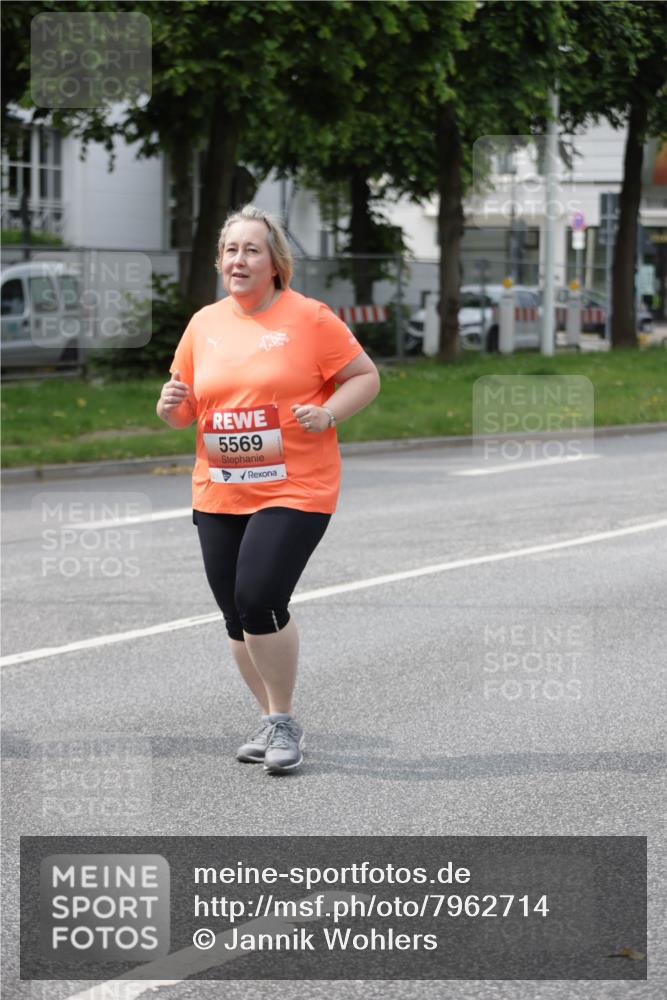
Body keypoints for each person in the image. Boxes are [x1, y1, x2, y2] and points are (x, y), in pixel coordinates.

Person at [156, 204, 380, 774]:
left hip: (295, 487)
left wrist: (328, 414)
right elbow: (186, 409)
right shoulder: (204, 324)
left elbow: (364, 376)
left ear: (275, 263)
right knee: (235, 613)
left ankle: (282, 720)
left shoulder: (310, 318)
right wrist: (170, 409)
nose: (239, 259)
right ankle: (271, 718)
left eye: (252, 249)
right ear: (219, 261)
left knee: (259, 598)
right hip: (219, 490)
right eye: (231, 250)